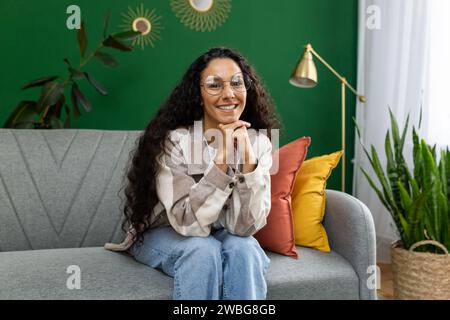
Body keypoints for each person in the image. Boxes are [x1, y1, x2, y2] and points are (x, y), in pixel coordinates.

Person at [105, 47, 280, 300]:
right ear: (198, 94)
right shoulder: (176, 141)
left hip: (219, 230)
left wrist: (247, 160)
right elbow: (188, 224)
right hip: (167, 231)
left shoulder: (260, 144)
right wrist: (221, 163)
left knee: (245, 249)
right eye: (214, 85)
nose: (228, 94)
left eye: (236, 83)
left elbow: (245, 227)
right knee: (201, 250)